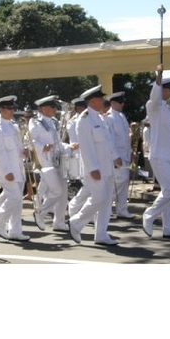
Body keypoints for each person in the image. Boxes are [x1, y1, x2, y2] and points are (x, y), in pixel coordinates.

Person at [68, 85, 120, 246]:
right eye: (100, 98)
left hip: (107, 167)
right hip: (96, 168)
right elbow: (86, 147)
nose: (103, 100)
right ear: (92, 101)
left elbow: (108, 142)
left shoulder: (100, 118)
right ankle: (76, 222)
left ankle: (101, 234)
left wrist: (116, 157)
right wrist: (92, 169)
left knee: (106, 201)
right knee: (98, 198)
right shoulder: (84, 120)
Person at [142, 66, 170, 239]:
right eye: (168, 89)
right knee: (169, 191)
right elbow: (154, 96)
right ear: (162, 89)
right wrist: (158, 78)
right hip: (159, 156)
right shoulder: (153, 106)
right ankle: (149, 215)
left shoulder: (167, 109)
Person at [0, 95, 30, 242]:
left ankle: (15, 231)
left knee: (18, 202)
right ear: (1, 110)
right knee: (15, 197)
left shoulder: (13, 126)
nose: (12, 111)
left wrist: (24, 153)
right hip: (7, 170)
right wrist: (7, 171)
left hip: (18, 168)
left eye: (13, 108)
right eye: (8, 108)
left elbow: (17, 148)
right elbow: (0, 153)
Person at [28, 95, 69, 231]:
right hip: (45, 162)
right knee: (57, 191)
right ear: (43, 108)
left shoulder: (54, 122)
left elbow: (57, 142)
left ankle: (59, 222)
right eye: (52, 107)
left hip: (58, 160)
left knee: (63, 192)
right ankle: (40, 213)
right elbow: (30, 141)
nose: (55, 109)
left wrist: (69, 147)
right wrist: (42, 146)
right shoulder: (36, 122)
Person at [107, 92, 136, 220]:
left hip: (125, 155)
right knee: (117, 183)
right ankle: (106, 208)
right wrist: (115, 156)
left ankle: (122, 210)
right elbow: (110, 140)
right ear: (113, 103)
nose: (122, 104)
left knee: (124, 184)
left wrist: (131, 152)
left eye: (123, 102)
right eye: (120, 102)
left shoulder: (122, 116)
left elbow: (125, 138)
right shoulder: (109, 118)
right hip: (117, 156)